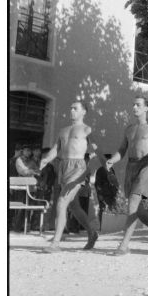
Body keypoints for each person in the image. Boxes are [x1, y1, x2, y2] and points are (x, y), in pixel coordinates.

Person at [106, 96, 148, 256]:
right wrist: (112, 160)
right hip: (131, 166)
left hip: (146, 165)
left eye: (138, 105)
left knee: (133, 204)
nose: (134, 107)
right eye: (133, 104)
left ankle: (124, 245)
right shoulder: (129, 129)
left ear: (146, 108)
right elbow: (122, 150)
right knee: (137, 208)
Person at [39, 100, 102, 252]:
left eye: (75, 108)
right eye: (71, 108)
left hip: (78, 168)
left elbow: (96, 152)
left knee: (61, 202)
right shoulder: (63, 130)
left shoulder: (87, 130)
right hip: (64, 166)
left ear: (83, 112)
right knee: (74, 206)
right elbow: (56, 149)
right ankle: (92, 233)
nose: (72, 111)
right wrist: (46, 159)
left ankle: (55, 243)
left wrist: (96, 169)